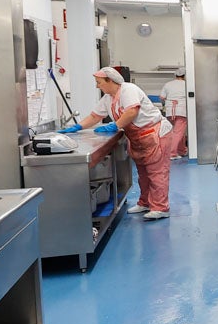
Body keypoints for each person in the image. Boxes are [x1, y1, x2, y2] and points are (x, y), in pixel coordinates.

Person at [61, 67, 172, 221]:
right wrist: (77, 127)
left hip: (154, 134)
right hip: (139, 138)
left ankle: (161, 207)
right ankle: (145, 202)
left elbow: (132, 112)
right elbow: (94, 116)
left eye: (99, 82)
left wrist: (115, 125)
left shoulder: (128, 90)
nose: (97, 86)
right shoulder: (108, 98)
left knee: (156, 173)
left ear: (110, 81)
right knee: (143, 174)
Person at [160, 68, 189, 160]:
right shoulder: (187, 84)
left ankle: (182, 150)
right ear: (184, 76)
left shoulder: (168, 84)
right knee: (178, 132)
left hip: (169, 111)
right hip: (182, 110)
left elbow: (162, 97)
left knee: (178, 132)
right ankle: (172, 153)